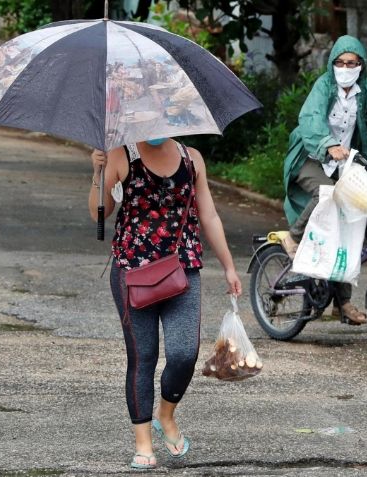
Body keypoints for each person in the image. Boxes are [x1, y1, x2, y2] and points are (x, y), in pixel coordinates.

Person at [88, 138, 242, 470]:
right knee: (143, 358)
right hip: (132, 271)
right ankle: (143, 444)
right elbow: (97, 212)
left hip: (182, 269)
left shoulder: (192, 159)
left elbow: (210, 216)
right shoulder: (120, 155)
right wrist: (98, 172)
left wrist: (229, 265)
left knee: (185, 353)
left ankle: (166, 414)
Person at [282, 35, 367, 325]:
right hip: (310, 157)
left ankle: (342, 303)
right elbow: (310, 120)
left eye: (351, 63)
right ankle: (292, 235)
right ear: (332, 64)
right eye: (340, 62)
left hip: (347, 162)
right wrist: (328, 144)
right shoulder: (323, 87)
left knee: (350, 225)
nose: (345, 67)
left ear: (361, 66)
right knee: (326, 192)